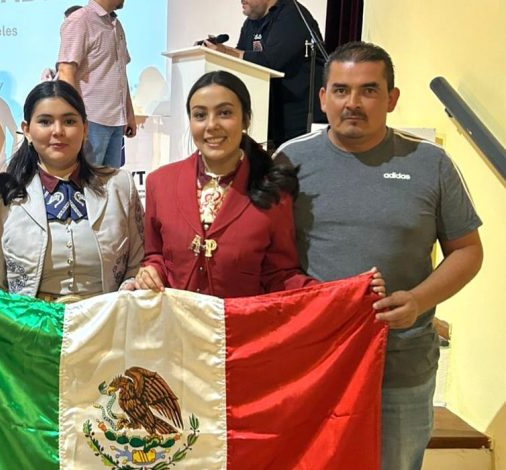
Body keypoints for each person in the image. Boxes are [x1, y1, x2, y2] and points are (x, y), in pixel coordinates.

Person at [275, 41, 483, 470]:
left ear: (391, 98)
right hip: (315, 363)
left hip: (401, 367)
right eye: (340, 90)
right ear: (323, 97)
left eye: (368, 90)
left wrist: (419, 301)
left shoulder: (431, 163)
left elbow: (467, 251)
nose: (352, 103)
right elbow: (267, 257)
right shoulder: (289, 161)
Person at [134, 70, 383, 299]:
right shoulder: (160, 183)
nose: (211, 125)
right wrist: (151, 271)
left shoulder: (273, 190)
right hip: (176, 333)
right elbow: (155, 256)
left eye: (225, 113)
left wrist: (346, 294)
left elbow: (280, 276)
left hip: (238, 335)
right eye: (200, 115)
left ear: (245, 120)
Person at [0, 79, 143, 302]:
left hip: (104, 329)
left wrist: (130, 288)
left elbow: (137, 266)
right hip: (30, 332)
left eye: (70, 121)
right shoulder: (1, 194)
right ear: (28, 131)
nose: (58, 131)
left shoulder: (119, 186)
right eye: (45, 121)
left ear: (85, 129)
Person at [205, 0, 325, 149]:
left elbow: (271, 61)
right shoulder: (251, 23)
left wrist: (225, 52)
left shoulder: (291, 15)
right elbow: (240, 64)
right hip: (269, 125)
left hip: (299, 126)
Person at [57, 0, 136, 168]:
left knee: (108, 185)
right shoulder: (80, 20)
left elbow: (120, 71)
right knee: (86, 183)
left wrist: (129, 113)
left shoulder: (116, 24)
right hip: (91, 120)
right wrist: (76, 118)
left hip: (116, 121)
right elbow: (66, 71)